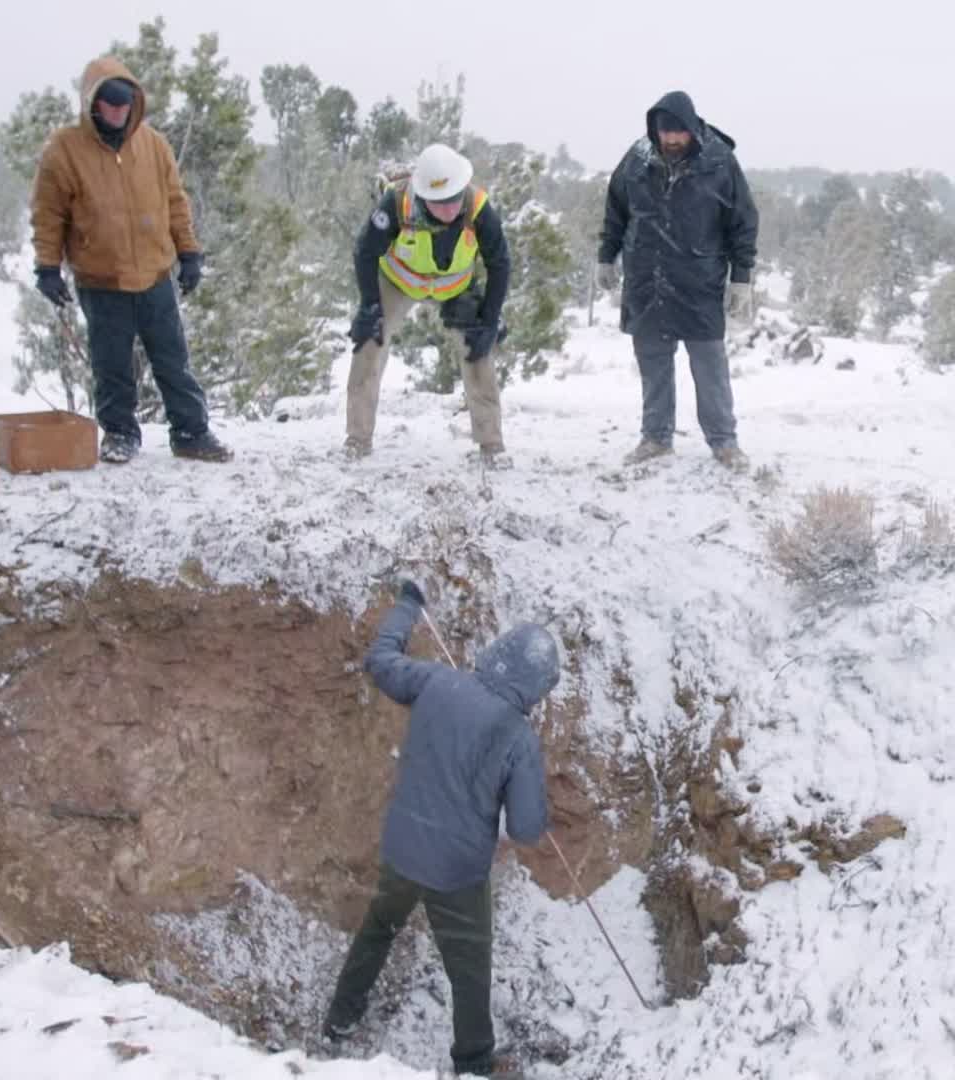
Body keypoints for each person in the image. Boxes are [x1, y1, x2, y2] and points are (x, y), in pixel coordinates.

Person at [321, 579, 557, 1079]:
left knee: (378, 929)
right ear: (537, 686)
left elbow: (381, 658)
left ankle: (339, 1022)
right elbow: (527, 828)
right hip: (457, 874)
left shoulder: (434, 681)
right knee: (469, 970)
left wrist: (408, 607)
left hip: (403, 850)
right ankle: (472, 1063)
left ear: (496, 653)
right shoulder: (518, 737)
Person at [29, 57, 232, 465]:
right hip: (101, 278)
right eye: (110, 103)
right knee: (112, 366)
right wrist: (47, 267)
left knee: (173, 359)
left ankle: (191, 432)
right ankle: (120, 433)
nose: (119, 111)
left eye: (126, 104)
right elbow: (48, 214)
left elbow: (176, 202)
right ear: (93, 103)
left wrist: (188, 253)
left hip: (155, 273)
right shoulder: (64, 149)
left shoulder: (153, 145)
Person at [598, 90, 759, 470]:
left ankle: (724, 442)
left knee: (709, 367)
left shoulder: (719, 162)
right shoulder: (636, 160)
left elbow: (743, 222)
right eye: (663, 132)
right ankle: (656, 437)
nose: (670, 140)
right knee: (653, 364)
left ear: (691, 128)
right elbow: (615, 211)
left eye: (677, 133)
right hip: (646, 281)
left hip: (698, 282)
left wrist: (742, 278)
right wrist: (607, 256)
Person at [346, 144, 511, 460]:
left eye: (453, 199)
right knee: (370, 342)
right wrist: (370, 306)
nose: (449, 208)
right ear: (422, 197)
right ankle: (357, 440)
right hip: (399, 279)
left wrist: (490, 320)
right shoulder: (396, 203)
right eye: (439, 203)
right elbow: (365, 251)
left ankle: (491, 445)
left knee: (477, 349)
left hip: (455, 286)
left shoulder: (478, 207)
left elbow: (500, 262)